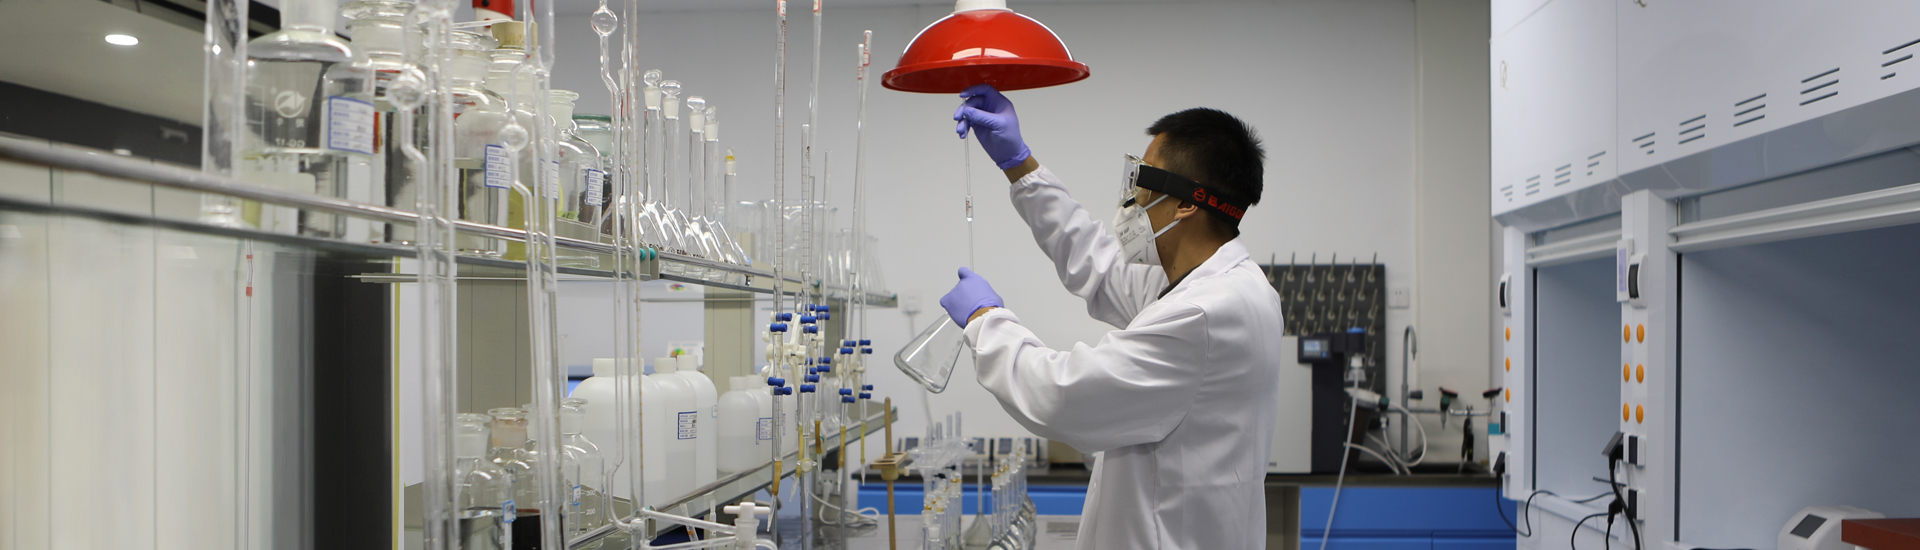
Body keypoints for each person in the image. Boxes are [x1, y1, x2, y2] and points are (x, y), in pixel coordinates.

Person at [941, 84, 1286, 550]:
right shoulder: (1217, 286)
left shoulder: (1205, 313)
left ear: (1186, 203)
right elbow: (1098, 264)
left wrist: (985, 320)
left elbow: (1062, 397)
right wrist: (1019, 164)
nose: (1132, 199)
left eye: (1142, 181)